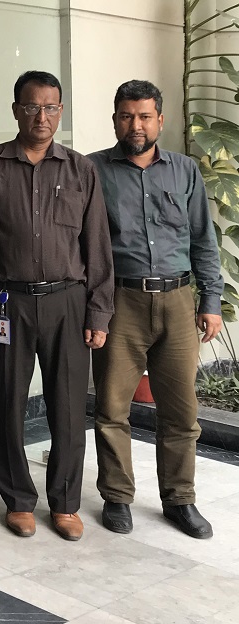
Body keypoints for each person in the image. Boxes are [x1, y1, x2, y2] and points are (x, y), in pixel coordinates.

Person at [0, 70, 114, 541]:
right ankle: (18, 499)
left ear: (60, 112)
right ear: (16, 110)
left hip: (68, 301)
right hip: (7, 301)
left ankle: (65, 503)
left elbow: (98, 247)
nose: (41, 116)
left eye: (50, 108)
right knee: (7, 402)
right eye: (32, 107)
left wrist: (98, 313)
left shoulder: (81, 169)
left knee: (67, 406)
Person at [89, 80, 223, 539]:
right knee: (111, 408)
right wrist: (94, 310)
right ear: (115, 120)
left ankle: (180, 500)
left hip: (179, 302)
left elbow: (204, 239)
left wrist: (211, 301)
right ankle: (117, 498)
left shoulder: (185, 171)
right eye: (127, 116)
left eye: (145, 116)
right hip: (120, 302)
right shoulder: (94, 171)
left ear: (160, 120)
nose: (136, 125)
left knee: (181, 412)